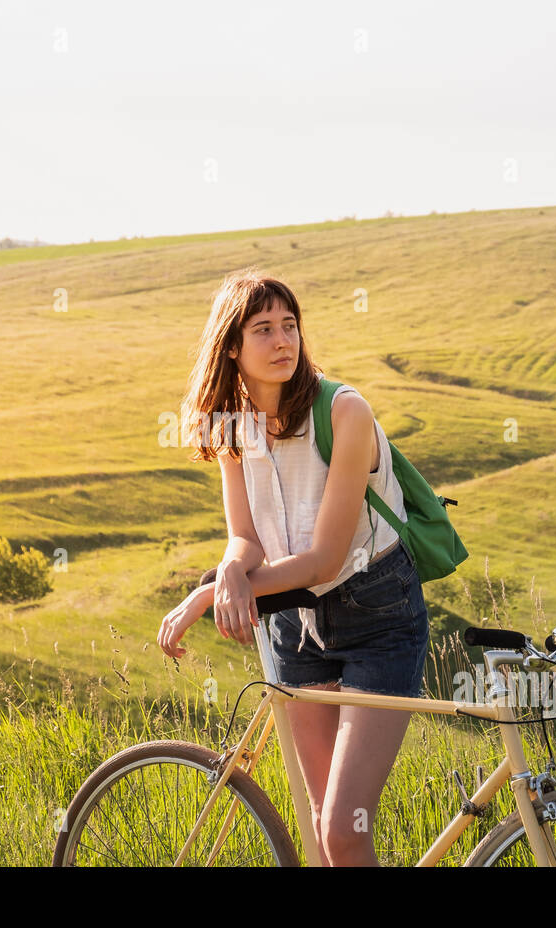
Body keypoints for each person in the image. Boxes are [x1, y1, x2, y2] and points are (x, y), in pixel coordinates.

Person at [157, 266, 431, 866]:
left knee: (344, 829)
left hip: (377, 613)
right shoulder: (231, 424)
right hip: (293, 625)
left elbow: (324, 559)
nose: (283, 342)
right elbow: (245, 536)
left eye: (290, 326)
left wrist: (208, 595)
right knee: (319, 829)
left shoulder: (345, 413)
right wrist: (229, 570)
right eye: (263, 329)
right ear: (233, 347)